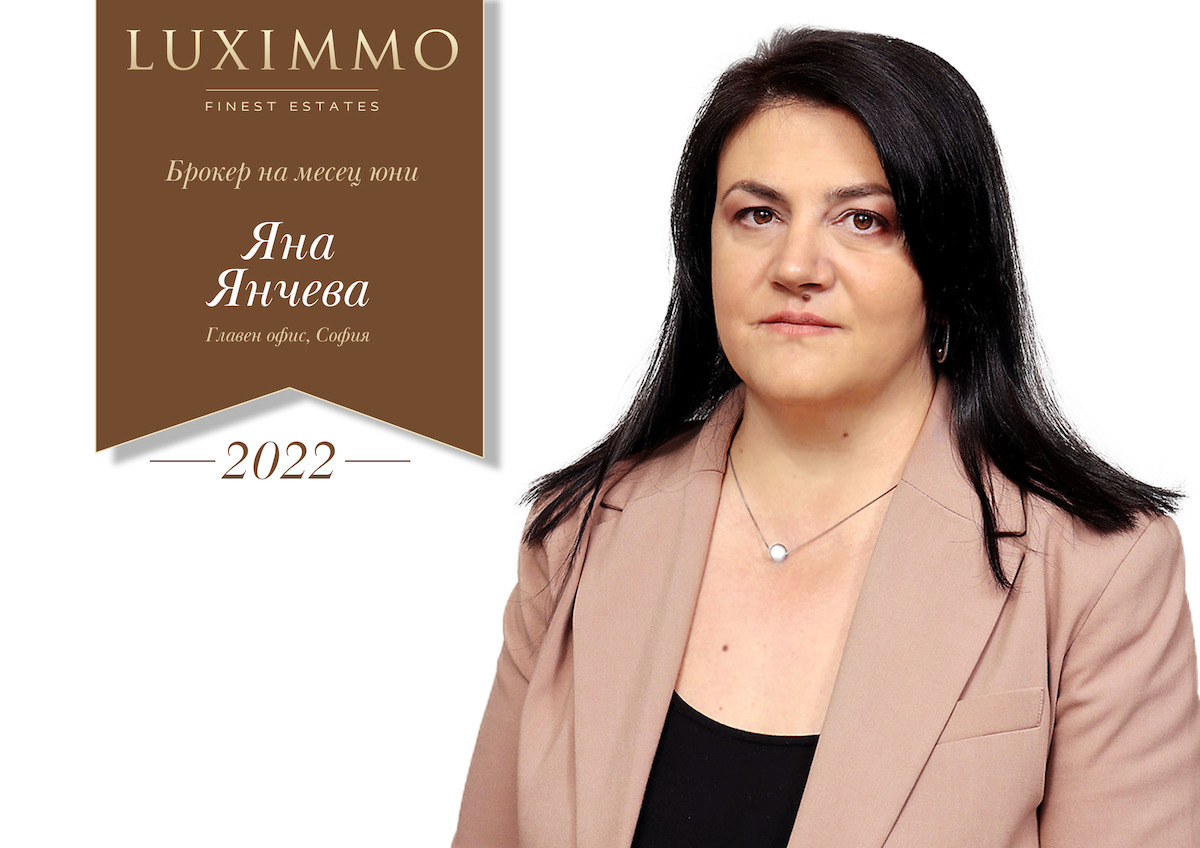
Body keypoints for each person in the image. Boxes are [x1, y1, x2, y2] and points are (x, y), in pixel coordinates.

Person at [453, 27, 1200, 847]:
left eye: (863, 220)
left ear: (949, 261)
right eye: (758, 214)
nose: (797, 265)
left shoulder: (1097, 572)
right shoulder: (579, 537)